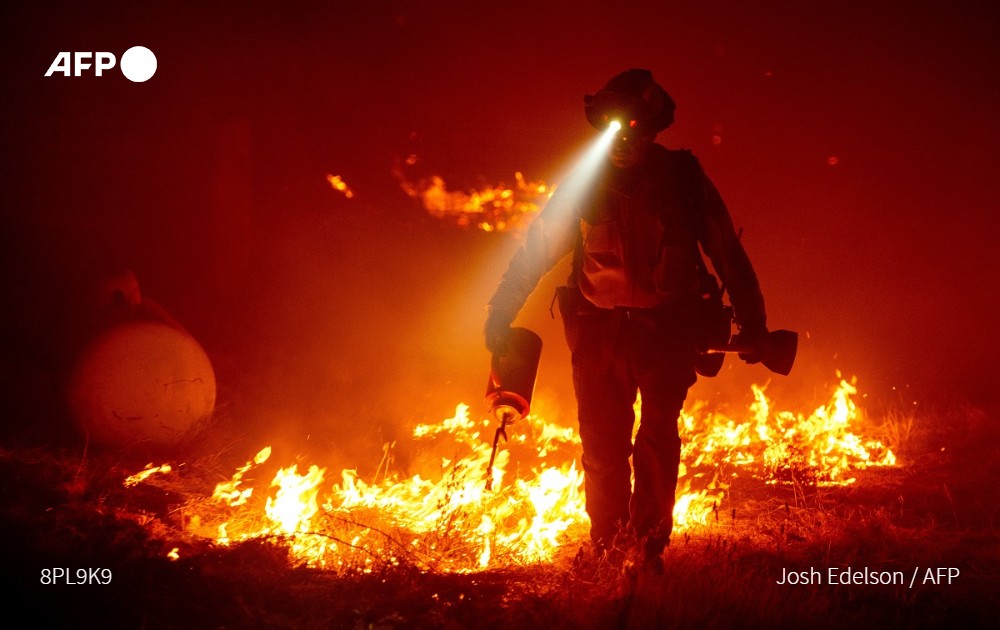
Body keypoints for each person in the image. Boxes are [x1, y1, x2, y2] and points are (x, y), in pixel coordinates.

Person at [484, 69, 769, 568]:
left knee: (658, 441)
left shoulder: (682, 178)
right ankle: (609, 545)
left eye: (632, 128)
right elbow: (537, 250)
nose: (620, 141)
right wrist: (501, 309)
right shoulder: (585, 183)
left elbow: (725, 251)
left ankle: (650, 546)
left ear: (652, 129)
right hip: (599, 333)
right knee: (601, 447)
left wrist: (755, 325)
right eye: (612, 128)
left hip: (666, 335)